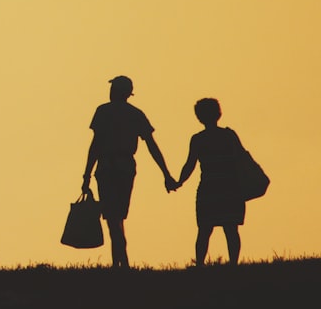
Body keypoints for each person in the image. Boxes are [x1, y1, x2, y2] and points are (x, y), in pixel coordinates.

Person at [81, 75, 176, 268]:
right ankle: (121, 262)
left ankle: (120, 262)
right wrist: (166, 174)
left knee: (113, 217)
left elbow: (95, 146)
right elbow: (152, 146)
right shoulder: (136, 114)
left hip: (107, 167)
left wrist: (87, 175)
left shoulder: (103, 111)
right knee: (117, 216)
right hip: (125, 168)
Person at [175, 98, 245, 267]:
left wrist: (178, 182)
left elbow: (190, 165)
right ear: (218, 114)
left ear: (199, 117)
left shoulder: (198, 139)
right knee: (231, 229)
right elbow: (241, 159)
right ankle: (234, 264)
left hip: (209, 189)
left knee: (205, 229)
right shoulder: (229, 135)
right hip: (230, 188)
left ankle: (200, 264)